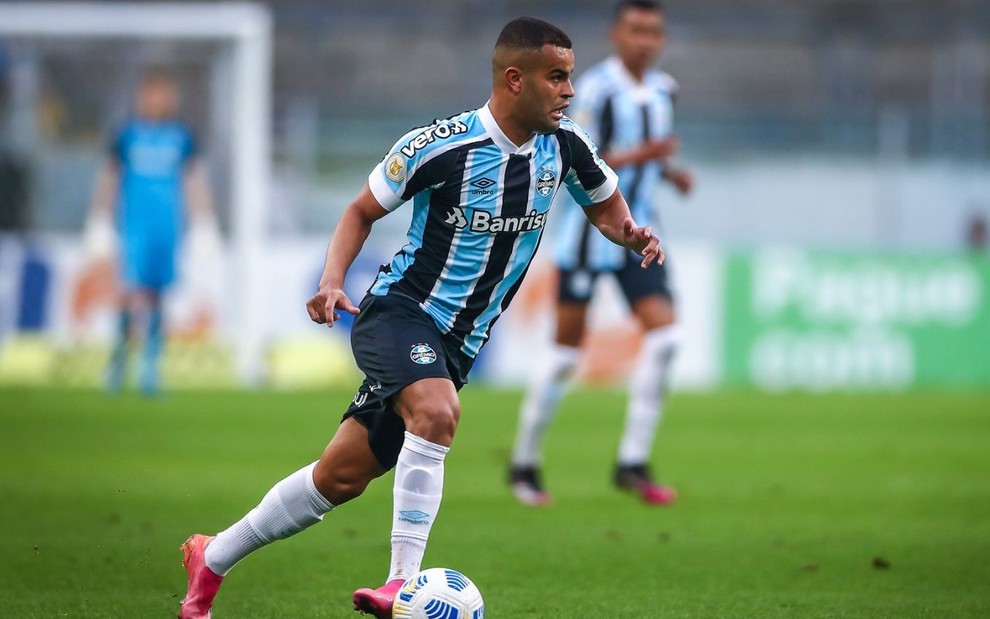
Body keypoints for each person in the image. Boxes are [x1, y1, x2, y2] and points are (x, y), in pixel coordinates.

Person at [178, 16, 664, 619]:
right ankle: (401, 585)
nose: (570, 90)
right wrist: (333, 280)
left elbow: (607, 209)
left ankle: (213, 557)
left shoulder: (565, 146)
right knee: (436, 412)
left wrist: (630, 234)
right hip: (400, 311)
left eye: (571, 77)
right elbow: (360, 211)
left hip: (460, 342)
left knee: (340, 477)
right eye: (557, 77)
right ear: (515, 80)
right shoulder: (439, 145)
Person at [509, 0, 694, 507]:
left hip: (640, 236)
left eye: (653, 31)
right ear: (617, 34)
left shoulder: (664, 89)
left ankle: (632, 462)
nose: (645, 40)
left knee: (667, 338)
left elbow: (648, 156)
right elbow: (581, 155)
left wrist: (670, 174)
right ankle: (524, 462)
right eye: (635, 30)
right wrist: (647, 156)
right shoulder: (593, 88)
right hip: (592, 237)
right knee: (566, 354)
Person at [85, 72, 215, 395]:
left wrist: (203, 221)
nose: (158, 101)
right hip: (134, 227)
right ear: (142, 97)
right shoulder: (127, 135)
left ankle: (150, 371)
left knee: (158, 296)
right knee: (128, 293)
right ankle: (116, 366)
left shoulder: (181, 136)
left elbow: (194, 179)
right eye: (152, 94)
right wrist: (99, 216)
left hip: (167, 228)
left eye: (164, 94)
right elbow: (110, 176)